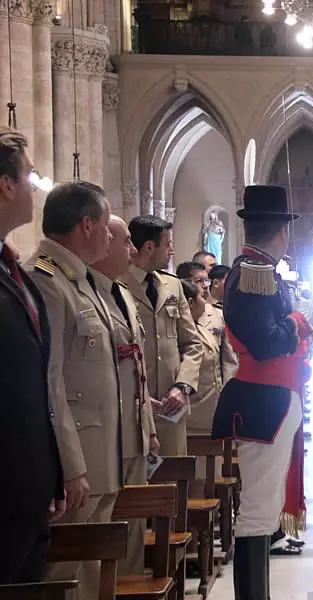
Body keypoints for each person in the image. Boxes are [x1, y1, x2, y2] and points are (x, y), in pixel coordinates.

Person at [210, 185, 313, 599]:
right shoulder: (254, 273)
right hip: (263, 402)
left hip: (271, 399)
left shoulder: (259, 270)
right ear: (281, 232)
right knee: (256, 512)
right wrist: (297, 320)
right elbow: (266, 342)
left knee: (264, 509)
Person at [25, 181, 120, 600]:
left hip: (100, 456)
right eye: (105, 226)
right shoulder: (47, 280)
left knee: (91, 576)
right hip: (78, 461)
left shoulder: (80, 281)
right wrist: (72, 465)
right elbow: (50, 379)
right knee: (66, 577)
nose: (111, 237)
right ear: (86, 225)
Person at [0, 127, 64, 584]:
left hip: (27, 493)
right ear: (5, 185)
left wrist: (52, 475)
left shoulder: (14, 271)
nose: (33, 188)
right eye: (28, 177)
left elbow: (39, 383)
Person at [89, 215, 160, 576]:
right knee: (92, 547)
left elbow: (138, 369)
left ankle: (130, 582)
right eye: (124, 242)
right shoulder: (78, 289)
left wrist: (148, 428)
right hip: (99, 439)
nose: (132, 250)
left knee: (132, 530)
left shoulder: (122, 295)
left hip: (131, 434)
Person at [123, 216, 203, 456]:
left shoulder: (172, 286)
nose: (172, 250)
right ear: (149, 246)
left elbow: (192, 344)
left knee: (175, 485)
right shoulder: (118, 284)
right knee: (139, 490)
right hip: (134, 410)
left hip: (171, 409)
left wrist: (183, 386)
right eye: (167, 244)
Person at [181, 279, 225, 497]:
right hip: (193, 419)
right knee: (193, 483)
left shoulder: (202, 329)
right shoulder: (182, 334)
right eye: (200, 297)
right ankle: (195, 530)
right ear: (189, 303)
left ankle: (203, 528)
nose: (204, 301)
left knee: (208, 480)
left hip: (210, 415)